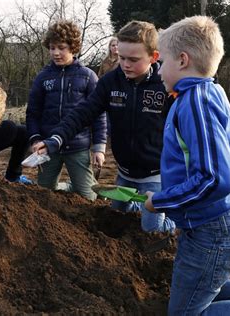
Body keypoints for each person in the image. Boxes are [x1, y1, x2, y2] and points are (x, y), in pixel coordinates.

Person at [143, 15, 230, 314]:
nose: (157, 68)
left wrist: (160, 201)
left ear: (182, 59)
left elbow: (214, 178)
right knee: (200, 288)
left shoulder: (196, 102)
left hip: (213, 229)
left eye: (161, 61)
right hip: (209, 225)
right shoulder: (204, 92)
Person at [32, 21, 175, 233]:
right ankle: (139, 207)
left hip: (155, 174)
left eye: (133, 60)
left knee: (151, 231)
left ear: (153, 57)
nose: (125, 64)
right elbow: (83, 113)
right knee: (114, 218)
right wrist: (55, 139)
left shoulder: (166, 84)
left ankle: (172, 222)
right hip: (125, 172)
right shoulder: (111, 81)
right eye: (122, 58)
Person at [26, 20, 107, 201]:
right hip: (48, 146)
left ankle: (74, 185)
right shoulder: (42, 77)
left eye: (61, 47)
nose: (55, 53)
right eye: (52, 47)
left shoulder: (88, 76)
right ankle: (66, 187)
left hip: (77, 146)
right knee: (43, 194)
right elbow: (33, 113)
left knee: (88, 196)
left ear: (73, 47)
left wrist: (99, 148)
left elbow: (99, 115)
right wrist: (35, 138)